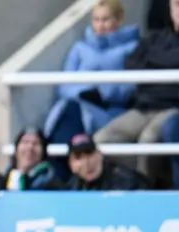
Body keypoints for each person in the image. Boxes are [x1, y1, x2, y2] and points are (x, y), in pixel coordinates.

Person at [93, 0, 179, 183]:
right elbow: (131, 66)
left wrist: (155, 63)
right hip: (143, 106)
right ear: (169, 6)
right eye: (178, 4)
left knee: (148, 141)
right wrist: (173, 64)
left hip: (176, 107)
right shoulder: (155, 36)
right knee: (101, 140)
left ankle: (146, 191)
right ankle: (136, 179)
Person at [44, 0, 139, 180]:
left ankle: (65, 178)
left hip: (110, 112)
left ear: (118, 20)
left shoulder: (132, 47)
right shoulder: (79, 48)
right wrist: (85, 93)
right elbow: (64, 85)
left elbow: (132, 84)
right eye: (96, 19)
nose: (100, 25)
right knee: (67, 113)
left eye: (106, 19)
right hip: (77, 106)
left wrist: (103, 93)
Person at [66, 133, 150, 190]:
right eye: (79, 158)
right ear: (71, 165)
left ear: (100, 155)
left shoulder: (128, 182)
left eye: (89, 153)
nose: (87, 163)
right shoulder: (71, 189)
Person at [0, 127, 64, 190]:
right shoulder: (4, 179)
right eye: (25, 142)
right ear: (16, 150)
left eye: (36, 143)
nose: (30, 148)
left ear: (43, 152)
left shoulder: (52, 182)